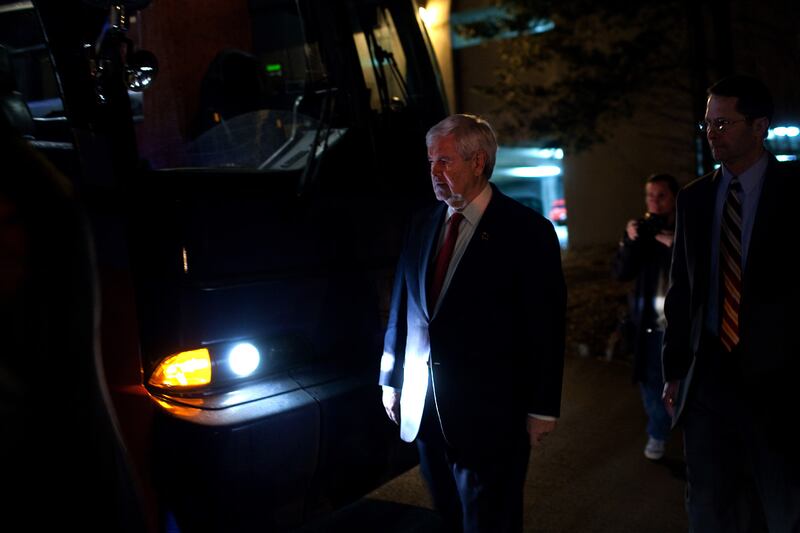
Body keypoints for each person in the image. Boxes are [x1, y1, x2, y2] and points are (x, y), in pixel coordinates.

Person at [378, 114, 566, 532]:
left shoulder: (527, 231)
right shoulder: (422, 223)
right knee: (448, 516)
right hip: (426, 408)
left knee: (491, 521)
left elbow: (546, 325)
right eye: (431, 162)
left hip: (493, 416)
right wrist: (391, 378)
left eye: (444, 161)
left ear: (478, 162)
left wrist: (542, 407)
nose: (434, 172)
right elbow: (402, 306)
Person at [661, 74, 800, 531]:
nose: (712, 133)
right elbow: (682, 290)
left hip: (780, 382)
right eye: (707, 124)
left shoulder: (793, 190)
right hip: (708, 379)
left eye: (723, 123)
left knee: (782, 504)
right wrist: (675, 370)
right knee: (707, 504)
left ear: (760, 126)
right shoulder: (694, 198)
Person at [613, 173, 678, 461]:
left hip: (682, 325)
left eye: (661, 195)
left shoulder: (687, 229)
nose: (654, 201)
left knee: (686, 381)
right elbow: (621, 273)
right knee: (651, 382)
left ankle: (690, 433)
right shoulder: (641, 231)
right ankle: (658, 433)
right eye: (650, 195)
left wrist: (672, 243)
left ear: (674, 197)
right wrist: (629, 241)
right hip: (650, 325)